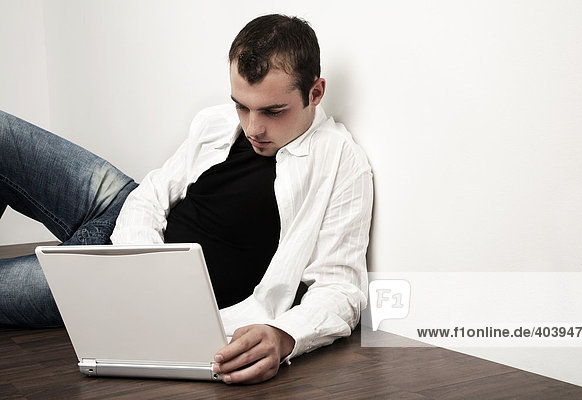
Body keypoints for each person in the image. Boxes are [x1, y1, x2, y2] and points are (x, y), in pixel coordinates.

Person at [0, 14, 373, 384]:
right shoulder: (214, 122)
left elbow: (341, 289)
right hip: (127, 216)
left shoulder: (340, 162)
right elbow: (151, 194)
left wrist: (285, 336)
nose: (253, 127)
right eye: (242, 106)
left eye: (273, 111)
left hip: (119, 286)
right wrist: (148, 260)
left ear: (315, 92)